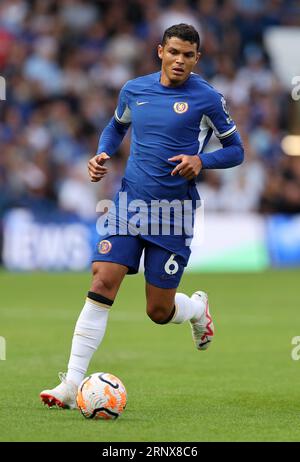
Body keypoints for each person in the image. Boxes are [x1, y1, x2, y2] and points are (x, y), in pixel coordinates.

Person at [40, 24, 244, 409]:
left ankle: (197, 308)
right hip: (129, 205)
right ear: (160, 51)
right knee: (102, 281)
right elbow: (116, 127)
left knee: (158, 311)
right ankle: (70, 384)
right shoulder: (135, 89)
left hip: (173, 213)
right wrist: (102, 153)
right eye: (173, 52)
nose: (179, 60)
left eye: (188, 55)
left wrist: (202, 160)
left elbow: (236, 150)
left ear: (197, 58)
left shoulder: (208, 99)